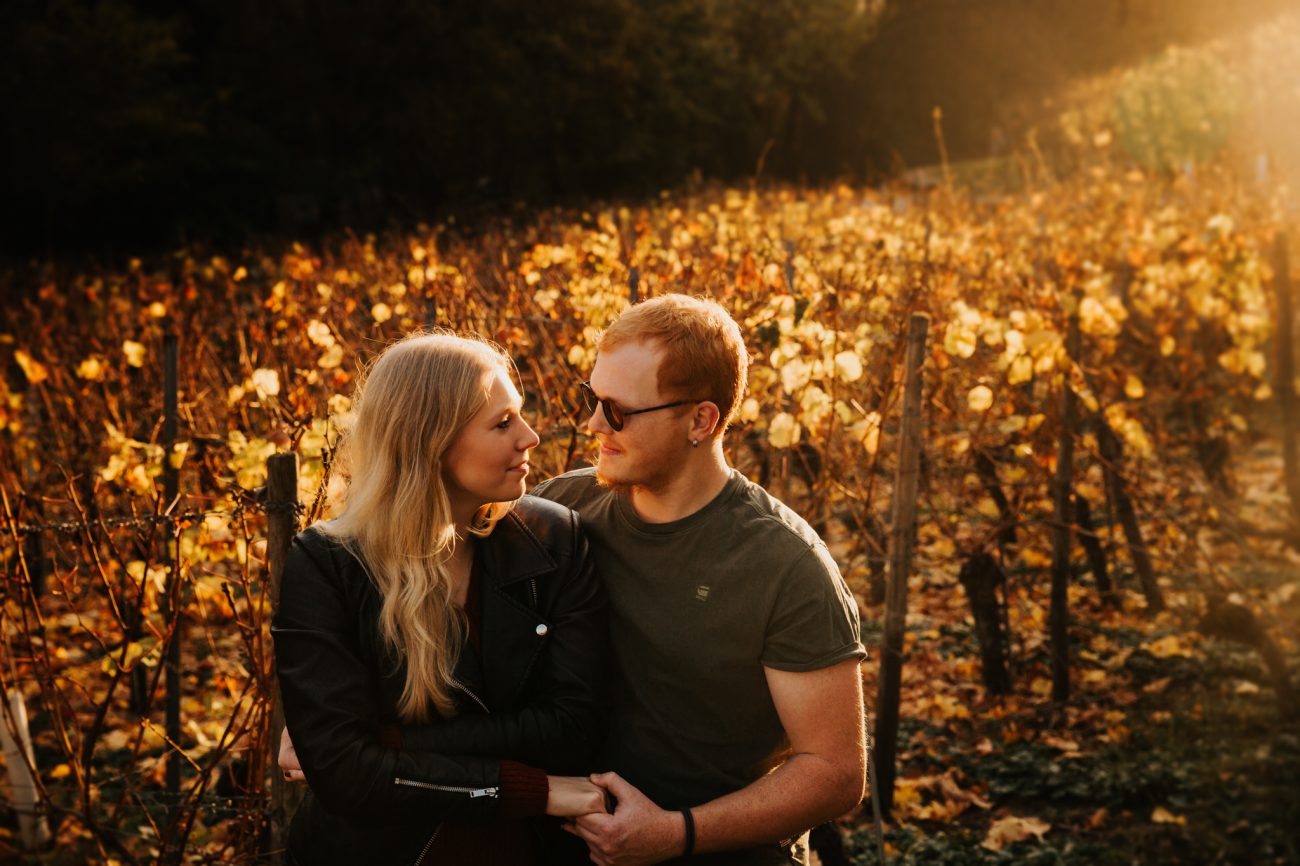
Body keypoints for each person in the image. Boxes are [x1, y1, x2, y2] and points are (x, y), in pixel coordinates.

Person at [529, 294, 867, 865]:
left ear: (700, 420)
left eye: (617, 411)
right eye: (590, 398)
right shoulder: (561, 508)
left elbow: (834, 772)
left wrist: (674, 833)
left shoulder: (786, 565)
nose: (592, 424)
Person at [272, 331, 611, 866]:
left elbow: (574, 728)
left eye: (519, 415)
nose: (530, 437)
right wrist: (532, 789)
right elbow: (346, 778)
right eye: (502, 423)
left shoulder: (551, 541)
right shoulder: (327, 565)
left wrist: (391, 746)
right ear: (429, 441)